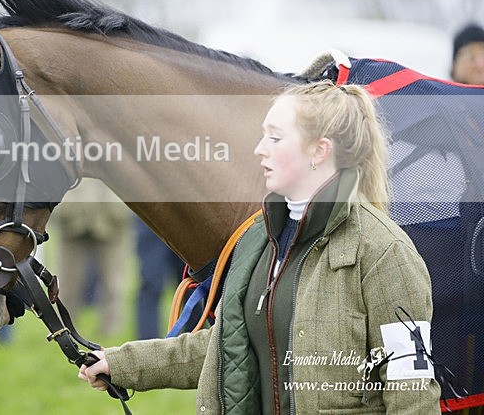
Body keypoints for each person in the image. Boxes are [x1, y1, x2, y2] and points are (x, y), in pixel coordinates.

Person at [79, 80, 441, 413]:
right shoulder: (256, 241)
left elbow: (411, 386)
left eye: (275, 138)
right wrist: (121, 363)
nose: (258, 149)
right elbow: (224, 349)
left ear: (319, 150)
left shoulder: (385, 252)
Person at [52, 178, 132, 338]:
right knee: (66, 282)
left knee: (113, 282)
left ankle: (112, 332)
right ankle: (63, 330)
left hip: (112, 217)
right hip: (71, 217)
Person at [133, 217, 186, 340]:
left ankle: (196, 345)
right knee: (151, 284)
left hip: (187, 216)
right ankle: (147, 347)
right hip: (152, 217)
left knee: (193, 284)